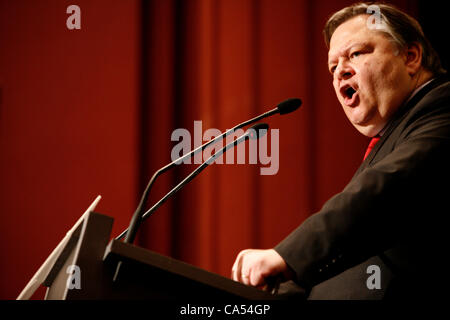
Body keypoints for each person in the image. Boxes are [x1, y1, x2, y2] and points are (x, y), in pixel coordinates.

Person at [232, 2, 449, 300]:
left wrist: (285, 256)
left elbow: (385, 190)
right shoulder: (393, 136)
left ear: (410, 57)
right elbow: (349, 246)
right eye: (333, 67)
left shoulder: (442, 106)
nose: (340, 73)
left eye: (356, 54)